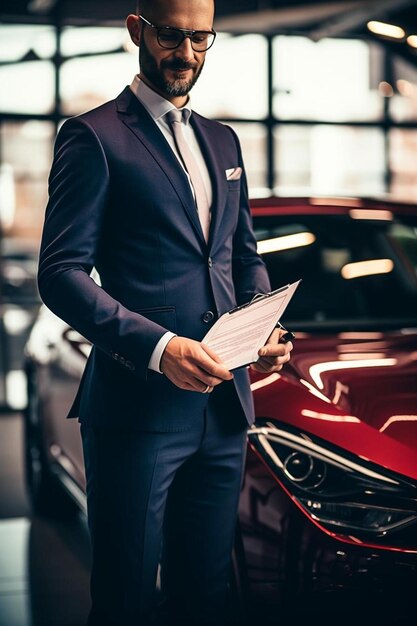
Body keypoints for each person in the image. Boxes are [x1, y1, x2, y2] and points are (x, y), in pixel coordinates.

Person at [37, 0, 293, 624]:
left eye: (201, 39)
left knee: (204, 595)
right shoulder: (94, 136)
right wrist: (159, 348)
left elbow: (239, 254)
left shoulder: (222, 139)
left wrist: (262, 321)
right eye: (173, 37)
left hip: (226, 408)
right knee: (125, 598)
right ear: (138, 30)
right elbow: (61, 274)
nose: (187, 55)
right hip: (137, 409)